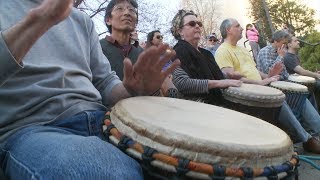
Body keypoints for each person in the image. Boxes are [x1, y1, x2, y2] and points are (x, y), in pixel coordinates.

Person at [0, 0, 179, 179]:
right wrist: (38, 21)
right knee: (108, 172)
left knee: (178, 156)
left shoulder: (82, 20)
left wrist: (133, 89)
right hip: (33, 128)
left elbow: (105, 82)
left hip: (104, 123)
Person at [215, 18, 320, 154]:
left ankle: (315, 129)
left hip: (262, 86)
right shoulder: (222, 51)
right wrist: (260, 82)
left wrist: (268, 77)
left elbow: (255, 72)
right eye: (238, 26)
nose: (242, 28)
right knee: (279, 98)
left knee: (299, 95)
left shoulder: (241, 49)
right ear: (228, 30)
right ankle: (307, 139)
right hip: (247, 92)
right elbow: (229, 75)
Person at [100, 1, 177, 98]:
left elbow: (158, 82)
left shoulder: (143, 54)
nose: (127, 13)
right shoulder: (97, 48)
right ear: (108, 20)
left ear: (135, 23)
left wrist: (169, 89)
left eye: (131, 10)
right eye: (120, 8)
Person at [170, 9, 242, 106]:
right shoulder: (178, 51)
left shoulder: (206, 53)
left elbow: (212, 75)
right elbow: (182, 83)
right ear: (180, 31)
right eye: (192, 24)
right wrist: (219, 83)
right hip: (202, 107)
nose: (197, 26)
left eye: (199, 24)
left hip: (219, 102)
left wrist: (228, 75)